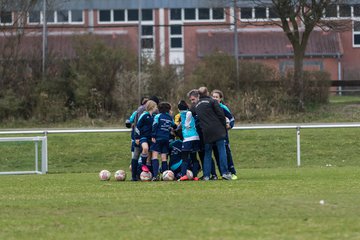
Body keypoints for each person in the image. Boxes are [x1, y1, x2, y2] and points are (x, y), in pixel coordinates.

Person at [194, 86, 232, 181]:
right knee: (221, 151)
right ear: (207, 93)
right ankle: (224, 173)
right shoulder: (213, 102)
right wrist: (224, 127)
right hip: (218, 130)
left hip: (206, 132)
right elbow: (220, 115)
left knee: (207, 153)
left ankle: (206, 175)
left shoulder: (197, 105)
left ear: (199, 95)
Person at [187, 89, 218, 180]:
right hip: (198, 135)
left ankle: (213, 174)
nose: (192, 102)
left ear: (198, 97)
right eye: (191, 100)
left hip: (205, 134)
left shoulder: (201, 107)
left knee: (206, 154)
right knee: (202, 154)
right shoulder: (193, 108)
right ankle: (206, 174)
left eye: (193, 99)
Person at [211, 89, 238, 180]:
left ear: (220, 99)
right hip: (213, 135)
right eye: (213, 97)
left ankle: (232, 172)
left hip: (223, 135)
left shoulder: (223, 108)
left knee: (227, 153)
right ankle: (223, 173)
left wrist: (229, 126)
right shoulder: (210, 107)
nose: (214, 99)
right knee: (217, 154)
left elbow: (231, 119)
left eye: (216, 97)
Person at [150, 102, 177, 181]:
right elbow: (174, 126)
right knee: (164, 158)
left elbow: (155, 125)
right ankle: (165, 176)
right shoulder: (169, 117)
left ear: (159, 109)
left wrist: (153, 136)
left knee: (155, 156)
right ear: (168, 110)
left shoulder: (158, 116)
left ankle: (155, 176)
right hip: (166, 139)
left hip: (158, 138)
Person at [177, 100, 200, 181]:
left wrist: (186, 124)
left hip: (188, 138)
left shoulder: (184, 113)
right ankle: (195, 176)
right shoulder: (190, 113)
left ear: (179, 109)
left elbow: (189, 114)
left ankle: (183, 175)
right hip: (196, 137)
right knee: (194, 157)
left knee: (185, 157)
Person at [134, 100, 158, 177]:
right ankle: (143, 165)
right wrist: (137, 137)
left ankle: (150, 173)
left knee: (150, 156)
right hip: (143, 137)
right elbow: (137, 126)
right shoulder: (144, 115)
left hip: (150, 138)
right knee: (145, 148)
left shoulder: (154, 116)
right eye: (155, 106)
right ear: (152, 107)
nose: (156, 108)